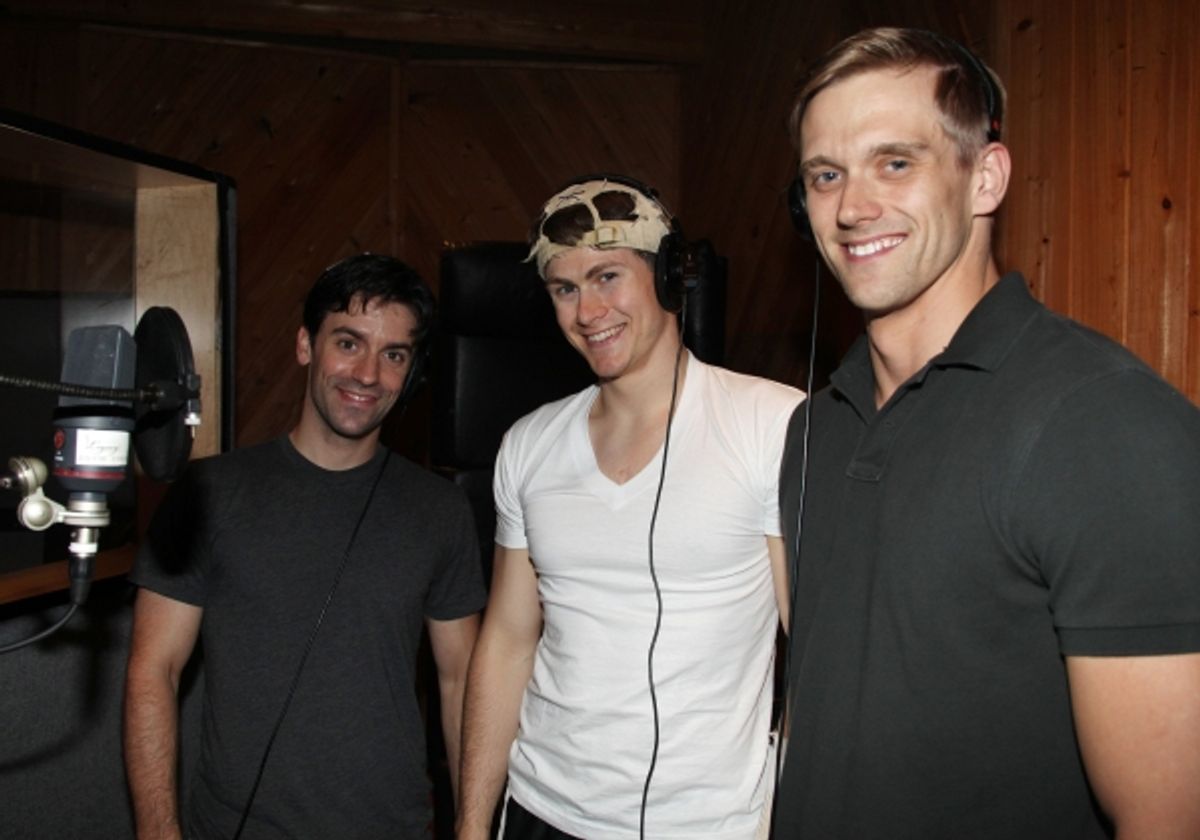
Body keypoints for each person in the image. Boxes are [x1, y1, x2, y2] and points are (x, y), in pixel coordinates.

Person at [776, 26, 1200, 839]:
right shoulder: (814, 427)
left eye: (895, 163)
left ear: (985, 177)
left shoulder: (1107, 425)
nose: (852, 207)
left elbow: (1167, 819)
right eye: (826, 175)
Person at [457, 177, 803, 840]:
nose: (588, 312)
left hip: (706, 826)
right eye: (564, 289)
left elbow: (816, 651)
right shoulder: (528, 444)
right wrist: (473, 825)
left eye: (607, 276)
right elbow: (506, 641)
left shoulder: (772, 424)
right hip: (538, 811)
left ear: (670, 276)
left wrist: (776, 817)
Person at [124, 254, 486, 839]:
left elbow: (461, 682)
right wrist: (157, 833)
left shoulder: (439, 510)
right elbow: (153, 671)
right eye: (348, 343)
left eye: (394, 355)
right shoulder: (208, 492)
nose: (368, 374)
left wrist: (473, 828)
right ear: (304, 346)